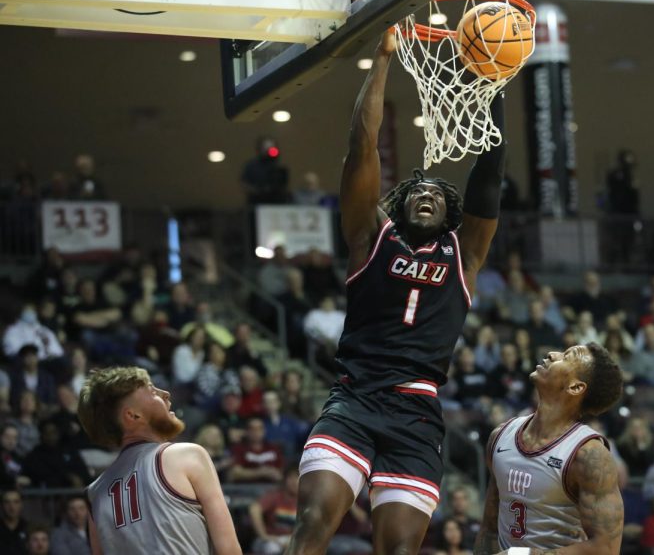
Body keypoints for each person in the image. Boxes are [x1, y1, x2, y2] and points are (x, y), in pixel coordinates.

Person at [288, 29, 504, 555]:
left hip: (417, 413)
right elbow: (361, 144)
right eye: (418, 191)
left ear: (450, 214)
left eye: (437, 193)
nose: (427, 193)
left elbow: (489, 178)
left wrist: (493, 81)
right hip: (355, 397)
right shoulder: (370, 236)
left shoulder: (465, 255)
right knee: (314, 525)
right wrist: (383, 58)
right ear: (399, 204)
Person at [473, 343, 624, 553]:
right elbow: (489, 530)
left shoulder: (589, 455)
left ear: (576, 387)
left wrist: (524, 554)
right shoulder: (500, 436)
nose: (553, 354)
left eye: (567, 356)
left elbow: (606, 548)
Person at [77, 367, 241, 554]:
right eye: (152, 391)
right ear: (132, 415)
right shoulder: (185, 456)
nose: (165, 394)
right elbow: (229, 550)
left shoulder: (94, 494)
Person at [249, 467, 299, 555]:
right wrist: (263, 535)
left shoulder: (305, 500)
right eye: (290, 477)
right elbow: (254, 509)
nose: (293, 481)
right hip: (271, 539)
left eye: (297, 477)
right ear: (285, 480)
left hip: (294, 539)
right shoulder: (275, 496)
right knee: (271, 548)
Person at [0, 488, 28, 554]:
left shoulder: (28, 528)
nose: (12, 507)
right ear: (1, 505)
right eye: (7, 502)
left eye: (16, 502)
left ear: (21, 504)